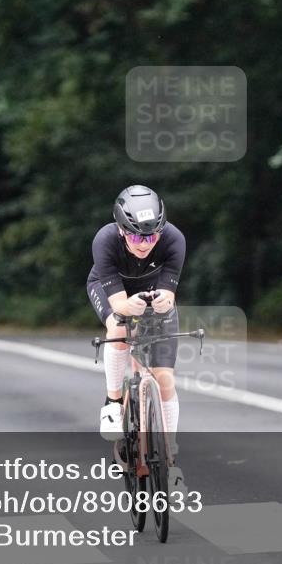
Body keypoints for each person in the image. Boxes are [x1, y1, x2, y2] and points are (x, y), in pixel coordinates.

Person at [86, 185, 187, 494]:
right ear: (120, 229)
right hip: (112, 292)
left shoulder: (174, 239)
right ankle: (114, 402)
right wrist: (128, 311)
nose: (144, 244)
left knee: (165, 378)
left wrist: (163, 302)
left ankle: (169, 456)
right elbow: (119, 305)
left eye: (151, 236)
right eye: (135, 236)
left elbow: (169, 294)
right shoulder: (104, 241)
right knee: (118, 328)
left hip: (152, 297)